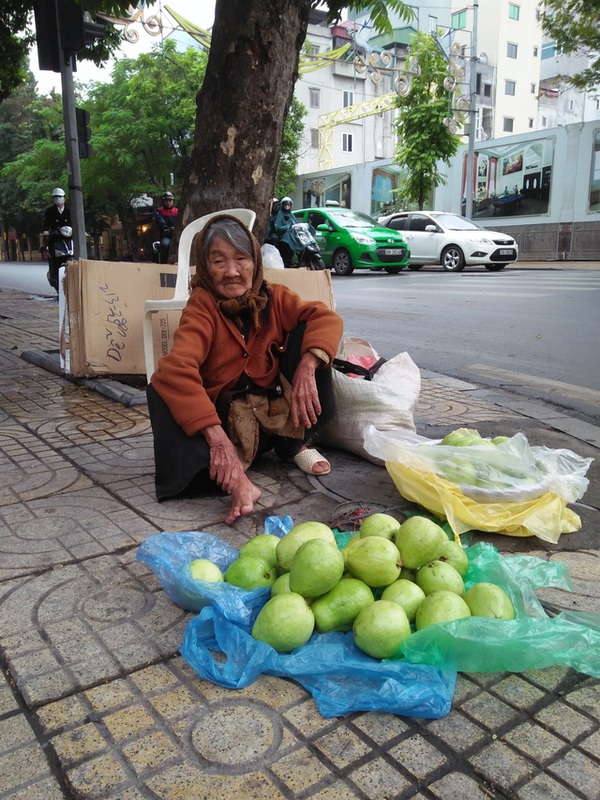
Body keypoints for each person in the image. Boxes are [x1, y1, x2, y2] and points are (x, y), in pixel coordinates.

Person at [147, 213, 343, 525]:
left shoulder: (273, 296)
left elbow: (326, 317)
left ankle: (295, 444)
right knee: (162, 387)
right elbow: (176, 368)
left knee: (312, 339)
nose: (232, 272)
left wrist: (307, 366)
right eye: (219, 261)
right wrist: (218, 440)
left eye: (241, 259)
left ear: (254, 261)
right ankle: (235, 475)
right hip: (229, 422)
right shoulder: (202, 306)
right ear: (207, 268)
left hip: (273, 411)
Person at [42, 188, 71, 290]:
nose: (58, 199)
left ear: (64, 198)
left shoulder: (70, 210)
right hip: (55, 238)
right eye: (55, 197)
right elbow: (46, 225)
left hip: (69, 238)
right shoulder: (50, 211)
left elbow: (76, 223)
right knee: (54, 260)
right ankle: (54, 278)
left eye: (60, 197)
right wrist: (46, 231)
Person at [270, 195, 300, 268]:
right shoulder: (280, 214)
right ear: (282, 205)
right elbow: (278, 227)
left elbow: (296, 224)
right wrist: (287, 226)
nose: (287, 206)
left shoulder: (291, 215)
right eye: (285, 204)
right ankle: (288, 260)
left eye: (289, 204)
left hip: (291, 236)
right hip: (282, 238)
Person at [155, 191, 178, 262]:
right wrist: (166, 228)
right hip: (166, 235)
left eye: (170, 200)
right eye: (166, 200)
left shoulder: (177, 211)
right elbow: (160, 221)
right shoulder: (159, 211)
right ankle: (163, 262)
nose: (168, 202)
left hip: (177, 234)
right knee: (165, 245)